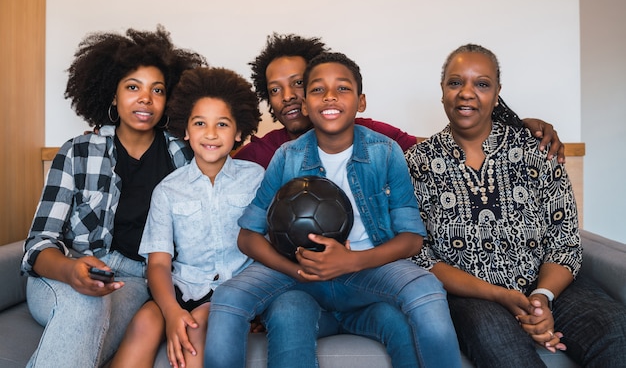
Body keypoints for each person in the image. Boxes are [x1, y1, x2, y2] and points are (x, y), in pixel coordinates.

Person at [205, 52, 463, 368]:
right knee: (227, 297)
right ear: (306, 103)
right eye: (317, 89)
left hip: (366, 270)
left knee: (427, 289)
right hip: (300, 274)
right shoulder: (288, 156)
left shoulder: (385, 152)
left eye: (341, 88)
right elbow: (247, 237)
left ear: (361, 101)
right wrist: (296, 270)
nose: (329, 96)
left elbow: (411, 238)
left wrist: (351, 260)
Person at [404, 43, 626, 367]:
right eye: (455, 82)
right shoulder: (416, 163)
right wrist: (498, 295)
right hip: (472, 299)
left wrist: (541, 299)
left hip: (549, 285)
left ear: (497, 94)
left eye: (481, 84)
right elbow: (420, 256)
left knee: (615, 329)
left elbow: (564, 241)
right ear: (442, 91)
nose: (467, 93)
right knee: (498, 342)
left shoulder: (537, 150)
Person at [20, 26, 206, 368]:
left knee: (92, 318)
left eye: (158, 90)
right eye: (133, 87)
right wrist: (72, 269)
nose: (145, 99)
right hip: (61, 275)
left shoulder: (185, 158)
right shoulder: (77, 152)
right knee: (84, 302)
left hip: (134, 280)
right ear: (113, 96)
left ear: (169, 101)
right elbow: (38, 243)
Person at [110, 67, 264, 368]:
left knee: (196, 327)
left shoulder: (256, 179)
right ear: (185, 130)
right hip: (182, 287)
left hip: (234, 290)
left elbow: (269, 244)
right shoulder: (168, 189)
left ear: (238, 132)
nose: (210, 133)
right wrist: (170, 312)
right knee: (145, 322)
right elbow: (157, 263)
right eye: (200, 123)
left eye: (222, 124)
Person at [234, 33, 565, 168]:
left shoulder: (372, 137)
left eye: (300, 84)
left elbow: (441, 151)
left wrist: (516, 126)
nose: (289, 96)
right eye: (275, 89)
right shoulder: (259, 154)